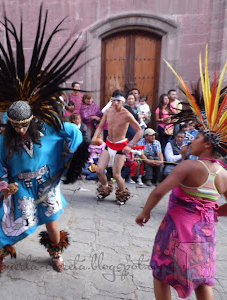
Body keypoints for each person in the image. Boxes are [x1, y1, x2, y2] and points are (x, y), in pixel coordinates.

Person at [0, 6, 88, 274]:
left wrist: (73, 161)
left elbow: (75, 133)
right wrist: (5, 184)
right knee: (11, 227)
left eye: (23, 125)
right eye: (14, 125)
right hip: (22, 189)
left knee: (52, 223)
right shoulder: (5, 140)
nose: (19, 129)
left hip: (46, 184)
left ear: (31, 119)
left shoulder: (50, 129)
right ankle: (1, 252)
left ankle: (55, 251)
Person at [136, 50, 227, 299]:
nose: (192, 139)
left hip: (178, 229)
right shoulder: (222, 173)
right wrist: (212, 212)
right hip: (205, 231)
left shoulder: (189, 167)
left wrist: (145, 212)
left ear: (207, 145)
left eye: (196, 137)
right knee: (202, 279)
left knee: (162, 272)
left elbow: (158, 190)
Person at [92, 89, 142, 205]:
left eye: (118, 101)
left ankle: (122, 193)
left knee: (116, 174)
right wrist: (95, 137)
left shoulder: (127, 114)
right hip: (109, 143)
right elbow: (100, 126)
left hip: (121, 146)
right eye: (113, 101)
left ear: (123, 101)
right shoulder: (108, 112)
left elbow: (139, 130)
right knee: (99, 170)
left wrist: (130, 145)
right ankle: (105, 188)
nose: (115, 103)